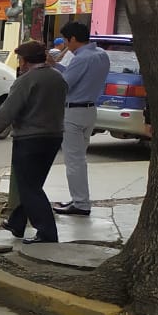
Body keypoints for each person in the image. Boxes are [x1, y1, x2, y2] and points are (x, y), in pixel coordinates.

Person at [0, 41, 67, 244]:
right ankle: (17, 223)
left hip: (29, 138)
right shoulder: (58, 78)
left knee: (29, 187)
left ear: (25, 61)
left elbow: (7, 111)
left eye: (20, 59)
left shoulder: (26, 81)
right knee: (33, 184)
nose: (19, 62)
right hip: (53, 136)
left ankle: (46, 232)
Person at [54, 21, 111, 216]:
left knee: (74, 161)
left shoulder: (80, 59)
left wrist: (53, 70)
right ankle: (80, 199)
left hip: (73, 111)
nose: (67, 46)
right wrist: (58, 66)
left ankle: (80, 203)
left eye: (67, 42)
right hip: (89, 110)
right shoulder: (101, 55)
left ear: (73, 39)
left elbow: (65, 84)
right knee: (80, 158)